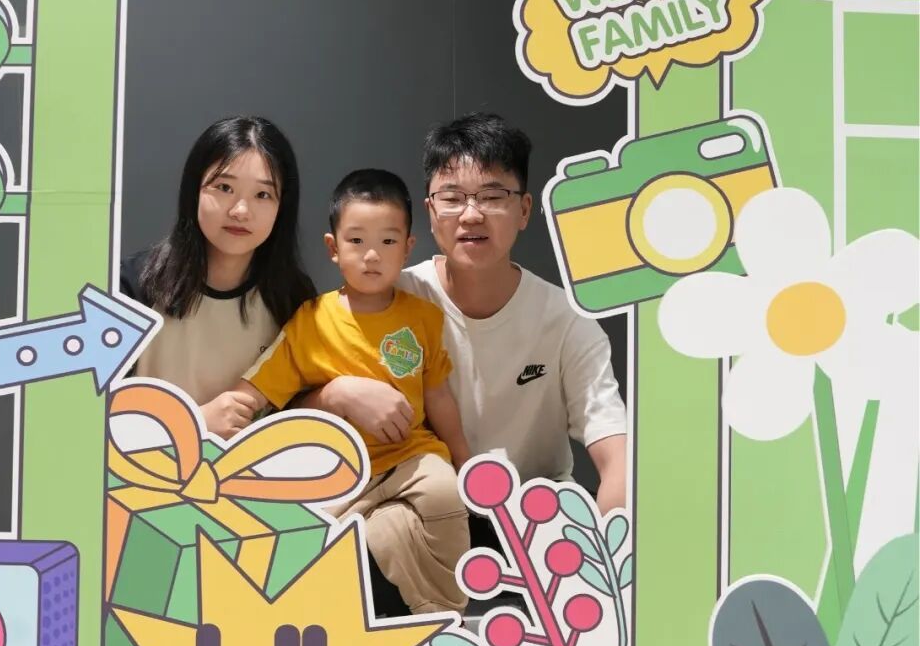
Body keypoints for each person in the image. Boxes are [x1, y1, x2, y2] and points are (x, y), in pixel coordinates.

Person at [311, 114, 628, 515]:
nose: (472, 214)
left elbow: (616, 451)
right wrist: (337, 394)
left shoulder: (565, 319)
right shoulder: (387, 297)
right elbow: (293, 413)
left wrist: (610, 537)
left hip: (535, 517)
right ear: (430, 211)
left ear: (524, 210)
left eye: (493, 196)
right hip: (421, 513)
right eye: (452, 198)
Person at [209, 169, 472, 615]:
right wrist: (231, 409)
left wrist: (465, 459)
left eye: (387, 241)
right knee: (312, 541)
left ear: (408, 247)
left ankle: (446, 608)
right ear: (333, 248)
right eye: (356, 241)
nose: (372, 255)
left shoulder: (424, 317)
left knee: (445, 494)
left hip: (413, 455)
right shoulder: (311, 320)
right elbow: (262, 388)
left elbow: (438, 395)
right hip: (340, 470)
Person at [120, 115, 315, 424]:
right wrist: (194, 422)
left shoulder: (293, 298)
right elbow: (84, 415)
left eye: (263, 194)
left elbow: (296, 417)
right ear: (194, 190)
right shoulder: (132, 285)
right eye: (224, 187)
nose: (240, 211)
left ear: (282, 208)